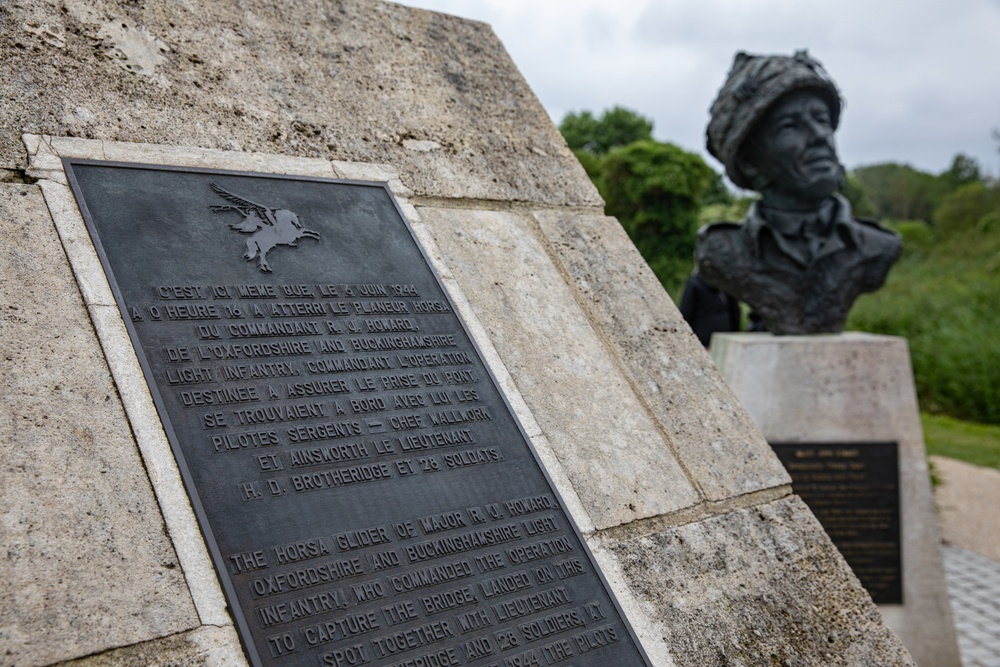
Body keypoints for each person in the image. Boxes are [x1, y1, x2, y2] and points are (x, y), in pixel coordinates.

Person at [696, 50, 902, 334]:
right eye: (790, 126)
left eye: (821, 119)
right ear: (749, 161)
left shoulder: (878, 246)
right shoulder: (722, 250)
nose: (819, 135)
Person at [679, 269, 741, 347]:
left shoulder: (694, 284)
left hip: (701, 340)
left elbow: (686, 313)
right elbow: (735, 312)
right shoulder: (725, 283)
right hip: (725, 339)